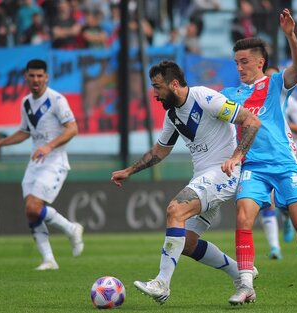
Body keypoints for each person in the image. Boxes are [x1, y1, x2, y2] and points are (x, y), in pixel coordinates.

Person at [111, 60, 261, 304]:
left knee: (175, 209)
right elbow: (160, 151)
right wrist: (129, 170)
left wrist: (236, 157)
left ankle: (162, 283)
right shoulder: (172, 115)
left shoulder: (205, 99)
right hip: (204, 177)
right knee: (188, 243)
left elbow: (251, 121)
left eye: (158, 87)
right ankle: (242, 275)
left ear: (174, 84)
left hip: (224, 173)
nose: (155, 94)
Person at [220, 9, 297, 305]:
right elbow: (206, 106)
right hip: (253, 165)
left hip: (284, 164)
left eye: (244, 62)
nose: (240, 67)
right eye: (236, 62)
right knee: (242, 216)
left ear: (260, 62)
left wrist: (290, 35)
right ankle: (245, 283)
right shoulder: (230, 94)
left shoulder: (275, 84)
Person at [0, 59, 84, 270]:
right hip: (35, 163)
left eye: (40, 76)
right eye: (32, 76)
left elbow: (72, 128)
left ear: (46, 77)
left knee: (33, 206)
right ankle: (49, 259)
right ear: (26, 77)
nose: (36, 79)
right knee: (30, 211)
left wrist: (49, 147)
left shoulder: (56, 100)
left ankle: (71, 228)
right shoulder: (26, 103)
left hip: (54, 162)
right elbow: (24, 132)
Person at [258, 65, 297, 260]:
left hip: (284, 155)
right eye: (266, 79)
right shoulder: (256, 100)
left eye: (273, 79)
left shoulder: (290, 101)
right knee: (267, 202)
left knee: (287, 205)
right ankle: (274, 248)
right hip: (262, 158)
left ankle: (286, 218)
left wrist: (281, 121)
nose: (270, 83)